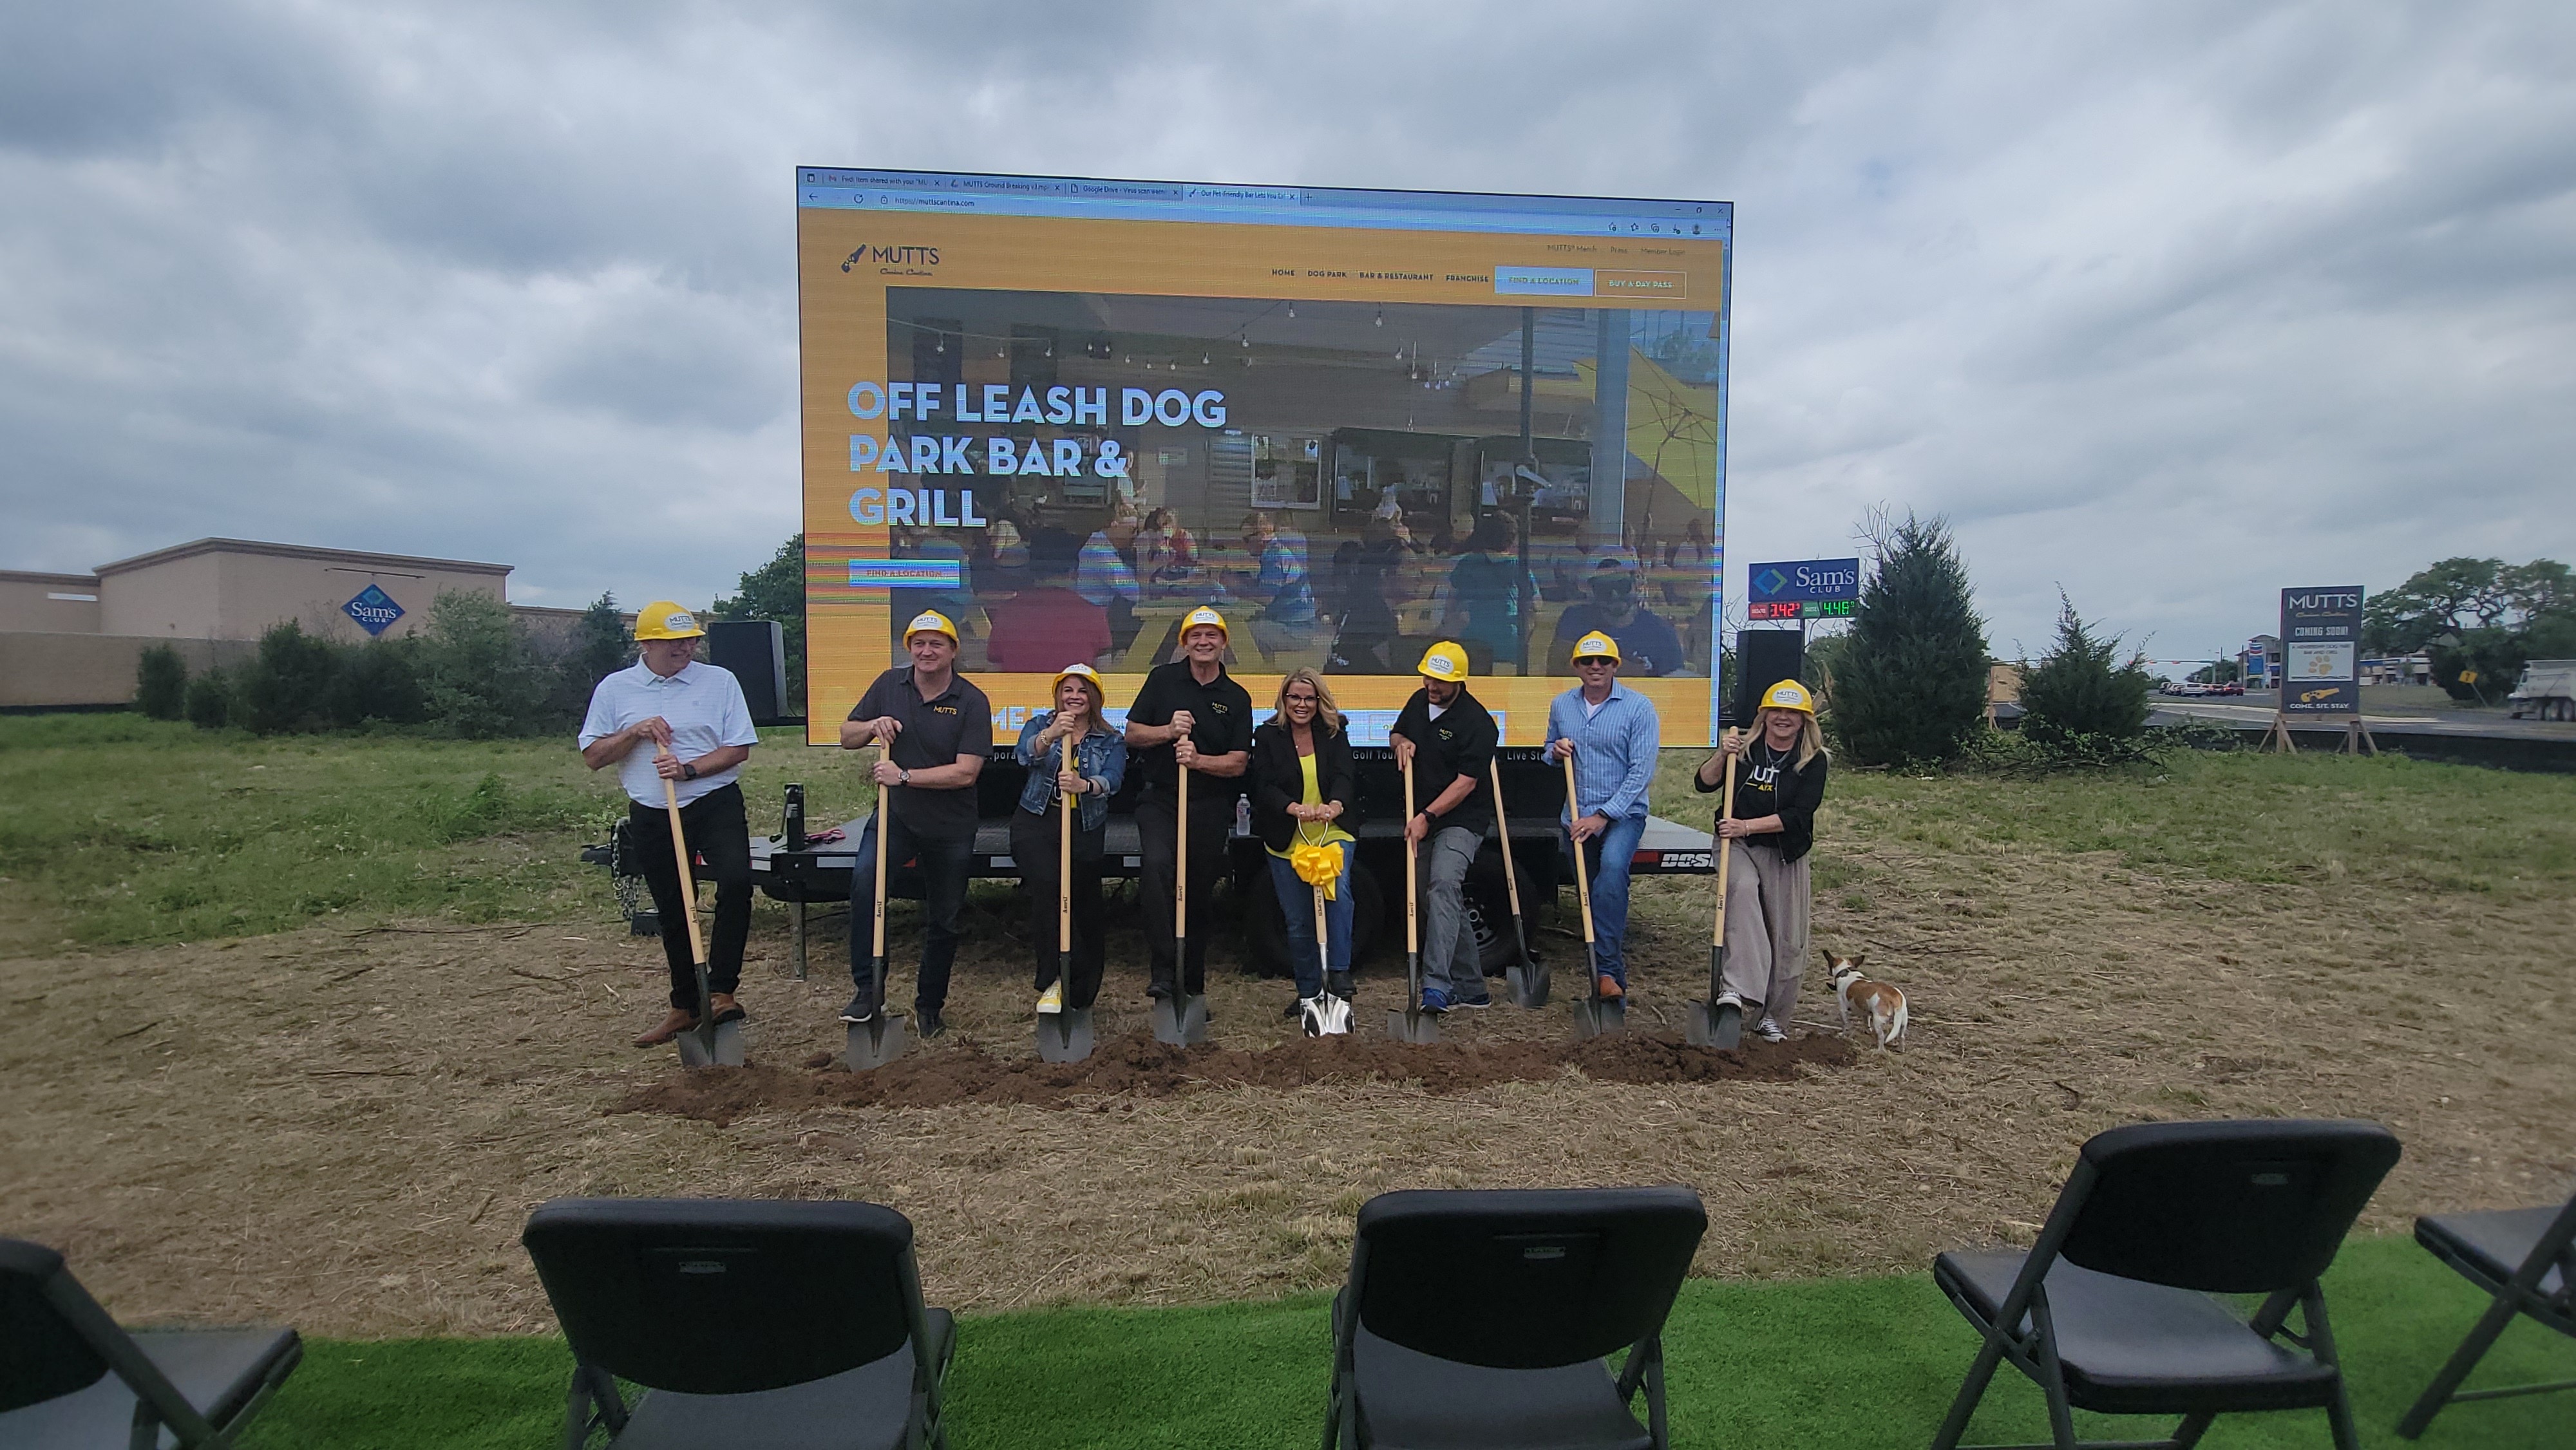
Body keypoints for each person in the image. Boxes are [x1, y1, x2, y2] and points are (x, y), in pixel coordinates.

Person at [578, 601, 761, 1047]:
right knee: (675, 906)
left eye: (691, 641)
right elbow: (594, 757)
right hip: (652, 810)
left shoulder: (719, 681)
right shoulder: (615, 689)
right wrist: (634, 732)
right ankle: (685, 1004)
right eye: (675, 642)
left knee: (736, 881)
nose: (686, 649)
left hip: (713, 802)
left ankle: (721, 991)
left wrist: (689, 770)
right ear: (646, 644)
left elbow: (738, 748)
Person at [839, 610, 992, 1038]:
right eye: (918, 644)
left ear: (953, 651)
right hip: (896, 816)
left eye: (936, 644)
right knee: (866, 886)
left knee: (944, 918)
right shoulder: (889, 684)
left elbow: (966, 773)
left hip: (950, 825)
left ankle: (929, 1006)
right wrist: (871, 726)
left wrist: (904, 776)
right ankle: (868, 991)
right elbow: (847, 735)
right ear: (909, 648)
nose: (926, 651)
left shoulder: (972, 700)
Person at [1124, 605, 1253, 1007]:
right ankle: (1164, 973)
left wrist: (1198, 761)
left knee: (1197, 892)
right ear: (1184, 643)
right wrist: (1167, 731)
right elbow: (1132, 734)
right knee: (1158, 868)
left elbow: (1238, 762)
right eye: (1195, 635)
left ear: (1224, 643)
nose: (1203, 641)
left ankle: (1192, 986)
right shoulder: (1162, 680)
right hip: (1161, 799)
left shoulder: (1236, 697)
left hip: (1208, 804)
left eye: (1211, 635)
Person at [1696, 679, 1831, 1042]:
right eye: (1776, 711)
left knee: (1786, 936)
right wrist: (1722, 755)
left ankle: (1771, 1017)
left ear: (1804, 721)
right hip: (1736, 845)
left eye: (1792, 713)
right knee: (1741, 892)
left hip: (1784, 850)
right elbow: (1703, 783)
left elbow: (1799, 815)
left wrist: (1748, 825)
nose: (1783, 718)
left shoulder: (1813, 761)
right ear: (1764, 716)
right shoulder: (1744, 749)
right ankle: (1736, 989)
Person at [1543, 630, 1660, 1001]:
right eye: (1587, 661)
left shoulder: (1639, 708)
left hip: (1623, 815)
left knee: (1611, 875)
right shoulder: (1562, 705)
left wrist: (1603, 815)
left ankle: (1607, 973)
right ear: (1576, 666)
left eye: (1604, 661)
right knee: (1591, 893)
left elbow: (1641, 771)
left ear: (1615, 666)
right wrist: (1555, 751)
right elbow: (1548, 750)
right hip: (1576, 816)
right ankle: (1608, 982)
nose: (1596, 667)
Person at [1012, 663, 1126, 1017]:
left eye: (1082, 691)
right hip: (1037, 821)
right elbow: (1023, 755)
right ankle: (1056, 977)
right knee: (1048, 889)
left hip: (1084, 826)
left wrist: (1085, 786)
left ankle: (1083, 991)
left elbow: (1114, 779)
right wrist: (1050, 735)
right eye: (1068, 690)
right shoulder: (1040, 724)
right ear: (1058, 695)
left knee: (1084, 905)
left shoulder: (1110, 739)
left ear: (1094, 698)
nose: (1074, 697)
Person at [1391, 642, 1499, 1012]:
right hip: (1421, 815)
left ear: (1458, 681)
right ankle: (1473, 989)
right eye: (1427, 678)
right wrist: (1402, 742)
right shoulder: (1418, 702)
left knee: (1443, 885)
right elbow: (1397, 733)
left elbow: (1465, 784)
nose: (1431, 686)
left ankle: (1436, 986)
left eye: (1439, 681)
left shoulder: (1478, 723)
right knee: (1437, 898)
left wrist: (1427, 817)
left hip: (1460, 820)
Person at [1250, 668, 1359, 1024]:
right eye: (1295, 697)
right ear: (1284, 699)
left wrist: (1336, 805)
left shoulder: (1334, 731)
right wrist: (1292, 807)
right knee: (1298, 921)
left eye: (1309, 698)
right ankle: (1309, 993)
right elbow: (1263, 785)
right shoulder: (1267, 735)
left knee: (1337, 894)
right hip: (1288, 835)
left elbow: (1344, 775)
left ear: (1319, 701)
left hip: (1332, 831)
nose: (1302, 704)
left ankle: (1339, 974)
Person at [984, 530, 1112, 672]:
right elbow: (1105, 674)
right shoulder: (1094, 615)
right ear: (1074, 571)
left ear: (1030, 569)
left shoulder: (1007, 613)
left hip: (1020, 687)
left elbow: (993, 672)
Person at [1549, 556, 1685, 677]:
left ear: (1635, 585)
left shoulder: (1660, 632)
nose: (1614, 594)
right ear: (1592, 591)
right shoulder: (1575, 620)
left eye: (1622, 585)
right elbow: (1554, 672)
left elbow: (1675, 686)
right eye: (1604, 588)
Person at [1441, 513, 1540, 675]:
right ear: (1513, 539)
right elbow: (1534, 607)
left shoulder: (1468, 564)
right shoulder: (1520, 567)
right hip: (1510, 642)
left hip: (1472, 641)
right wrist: (1523, 640)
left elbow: (1450, 606)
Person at [1238, 511, 1319, 661]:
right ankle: (1266, 668)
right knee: (1250, 625)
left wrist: (1234, 589)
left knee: (1237, 633)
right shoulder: (1275, 551)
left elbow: (1266, 598)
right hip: (1294, 624)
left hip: (1295, 630)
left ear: (1262, 535)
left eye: (1247, 539)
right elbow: (1268, 589)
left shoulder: (1274, 556)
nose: (1244, 545)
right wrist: (1243, 581)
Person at [1135, 506, 1200, 595]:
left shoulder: (1185, 535)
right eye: (1163, 522)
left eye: (1169, 521)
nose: (1166, 526)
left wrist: (1186, 547)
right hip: (1164, 573)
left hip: (1183, 571)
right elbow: (1151, 562)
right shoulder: (1156, 538)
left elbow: (1194, 556)